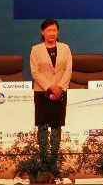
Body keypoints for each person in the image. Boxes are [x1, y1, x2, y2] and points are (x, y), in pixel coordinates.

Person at [30, 19, 72, 158]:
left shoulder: (65, 48)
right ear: (42, 32)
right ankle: (43, 158)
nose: (52, 33)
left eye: (54, 30)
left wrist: (59, 88)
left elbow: (68, 70)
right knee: (42, 127)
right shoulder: (36, 49)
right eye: (49, 30)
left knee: (56, 127)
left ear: (57, 31)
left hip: (60, 92)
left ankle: (54, 158)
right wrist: (50, 87)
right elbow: (35, 72)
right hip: (42, 93)